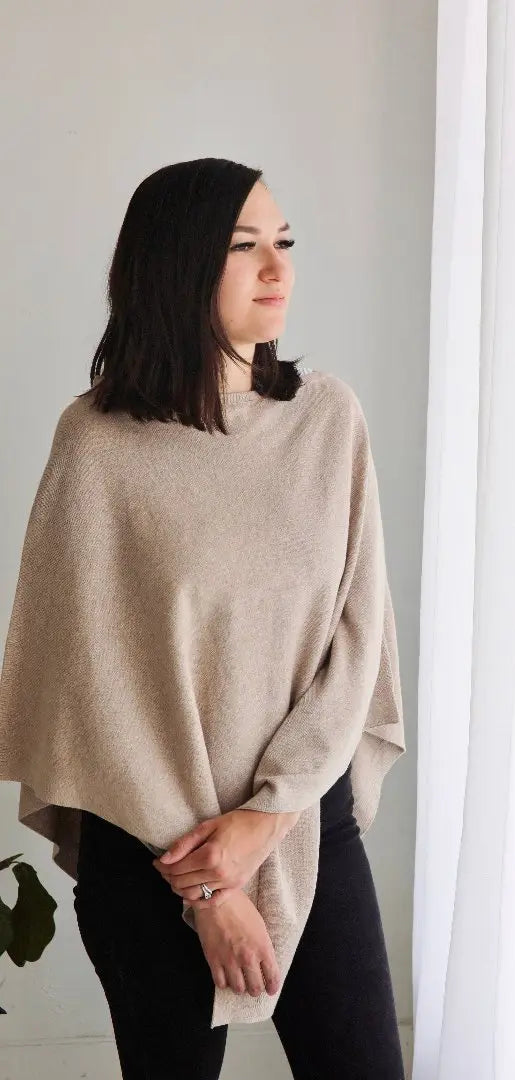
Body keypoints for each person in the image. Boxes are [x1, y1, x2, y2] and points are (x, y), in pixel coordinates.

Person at [0, 158, 407, 1078]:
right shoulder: (98, 445)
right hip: (149, 847)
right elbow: (88, 683)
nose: (279, 269)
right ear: (178, 266)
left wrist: (267, 821)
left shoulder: (327, 421)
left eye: (285, 244)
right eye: (245, 246)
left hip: (302, 820)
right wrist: (208, 885)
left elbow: (357, 642)